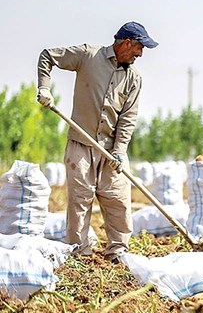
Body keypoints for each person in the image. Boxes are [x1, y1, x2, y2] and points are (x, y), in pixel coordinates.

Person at [36, 21, 158, 262]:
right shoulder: (87, 56)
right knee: (80, 199)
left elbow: (128, 118)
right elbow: (47, 56)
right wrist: (44, 88)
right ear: (126, 43)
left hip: (111, 149)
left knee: (118, 198)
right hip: (80, 144)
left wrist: (120, 151)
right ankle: (78, 253)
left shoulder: (134, 78)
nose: (140, 54)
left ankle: (118, 251)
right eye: (139, 48)